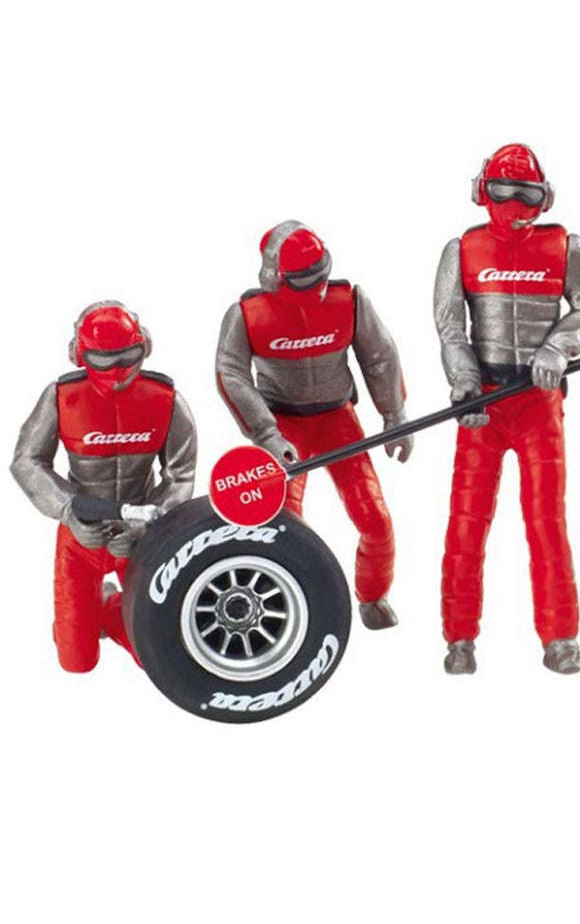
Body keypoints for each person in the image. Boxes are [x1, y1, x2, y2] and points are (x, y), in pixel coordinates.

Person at [433, 144, 580, 674]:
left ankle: (560, 638)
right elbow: (450, 328)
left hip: (538, 404)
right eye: (501, 191)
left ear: (544, 197)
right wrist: (465, 383)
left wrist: (557, 348)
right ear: (481, 192)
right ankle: (459, 639)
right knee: (465, 526)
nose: (513, 204)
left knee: (546, 522)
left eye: (526, 194)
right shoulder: (462, 249)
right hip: (482, 405)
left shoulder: (565, 246)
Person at [216, 221, 411, 630]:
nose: (316, 288)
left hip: (339, 420)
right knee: (283, 527)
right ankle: (292, 603)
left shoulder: (349, 300)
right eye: (303, 279)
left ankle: (374, 596)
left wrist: (394, 414)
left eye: (320, 275)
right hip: (283, 424)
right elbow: (230, 373)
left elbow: (379, 356)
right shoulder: (247, 315)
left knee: (375, 520)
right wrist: (267, 434)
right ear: (274, 276)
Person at [11, 301, 197, 672]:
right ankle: (88, 613)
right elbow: (26, 461)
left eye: (127, 356)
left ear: (144, 346)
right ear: (79, 355)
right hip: (80, 536)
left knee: (155, 658)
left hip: (141, 537)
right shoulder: (60, 397)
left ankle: (110, 606)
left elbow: (181, 475)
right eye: (102, 360)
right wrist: (68, 510)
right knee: (76, 661)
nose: (116, 371)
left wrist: (144, 523)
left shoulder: (167, 399)